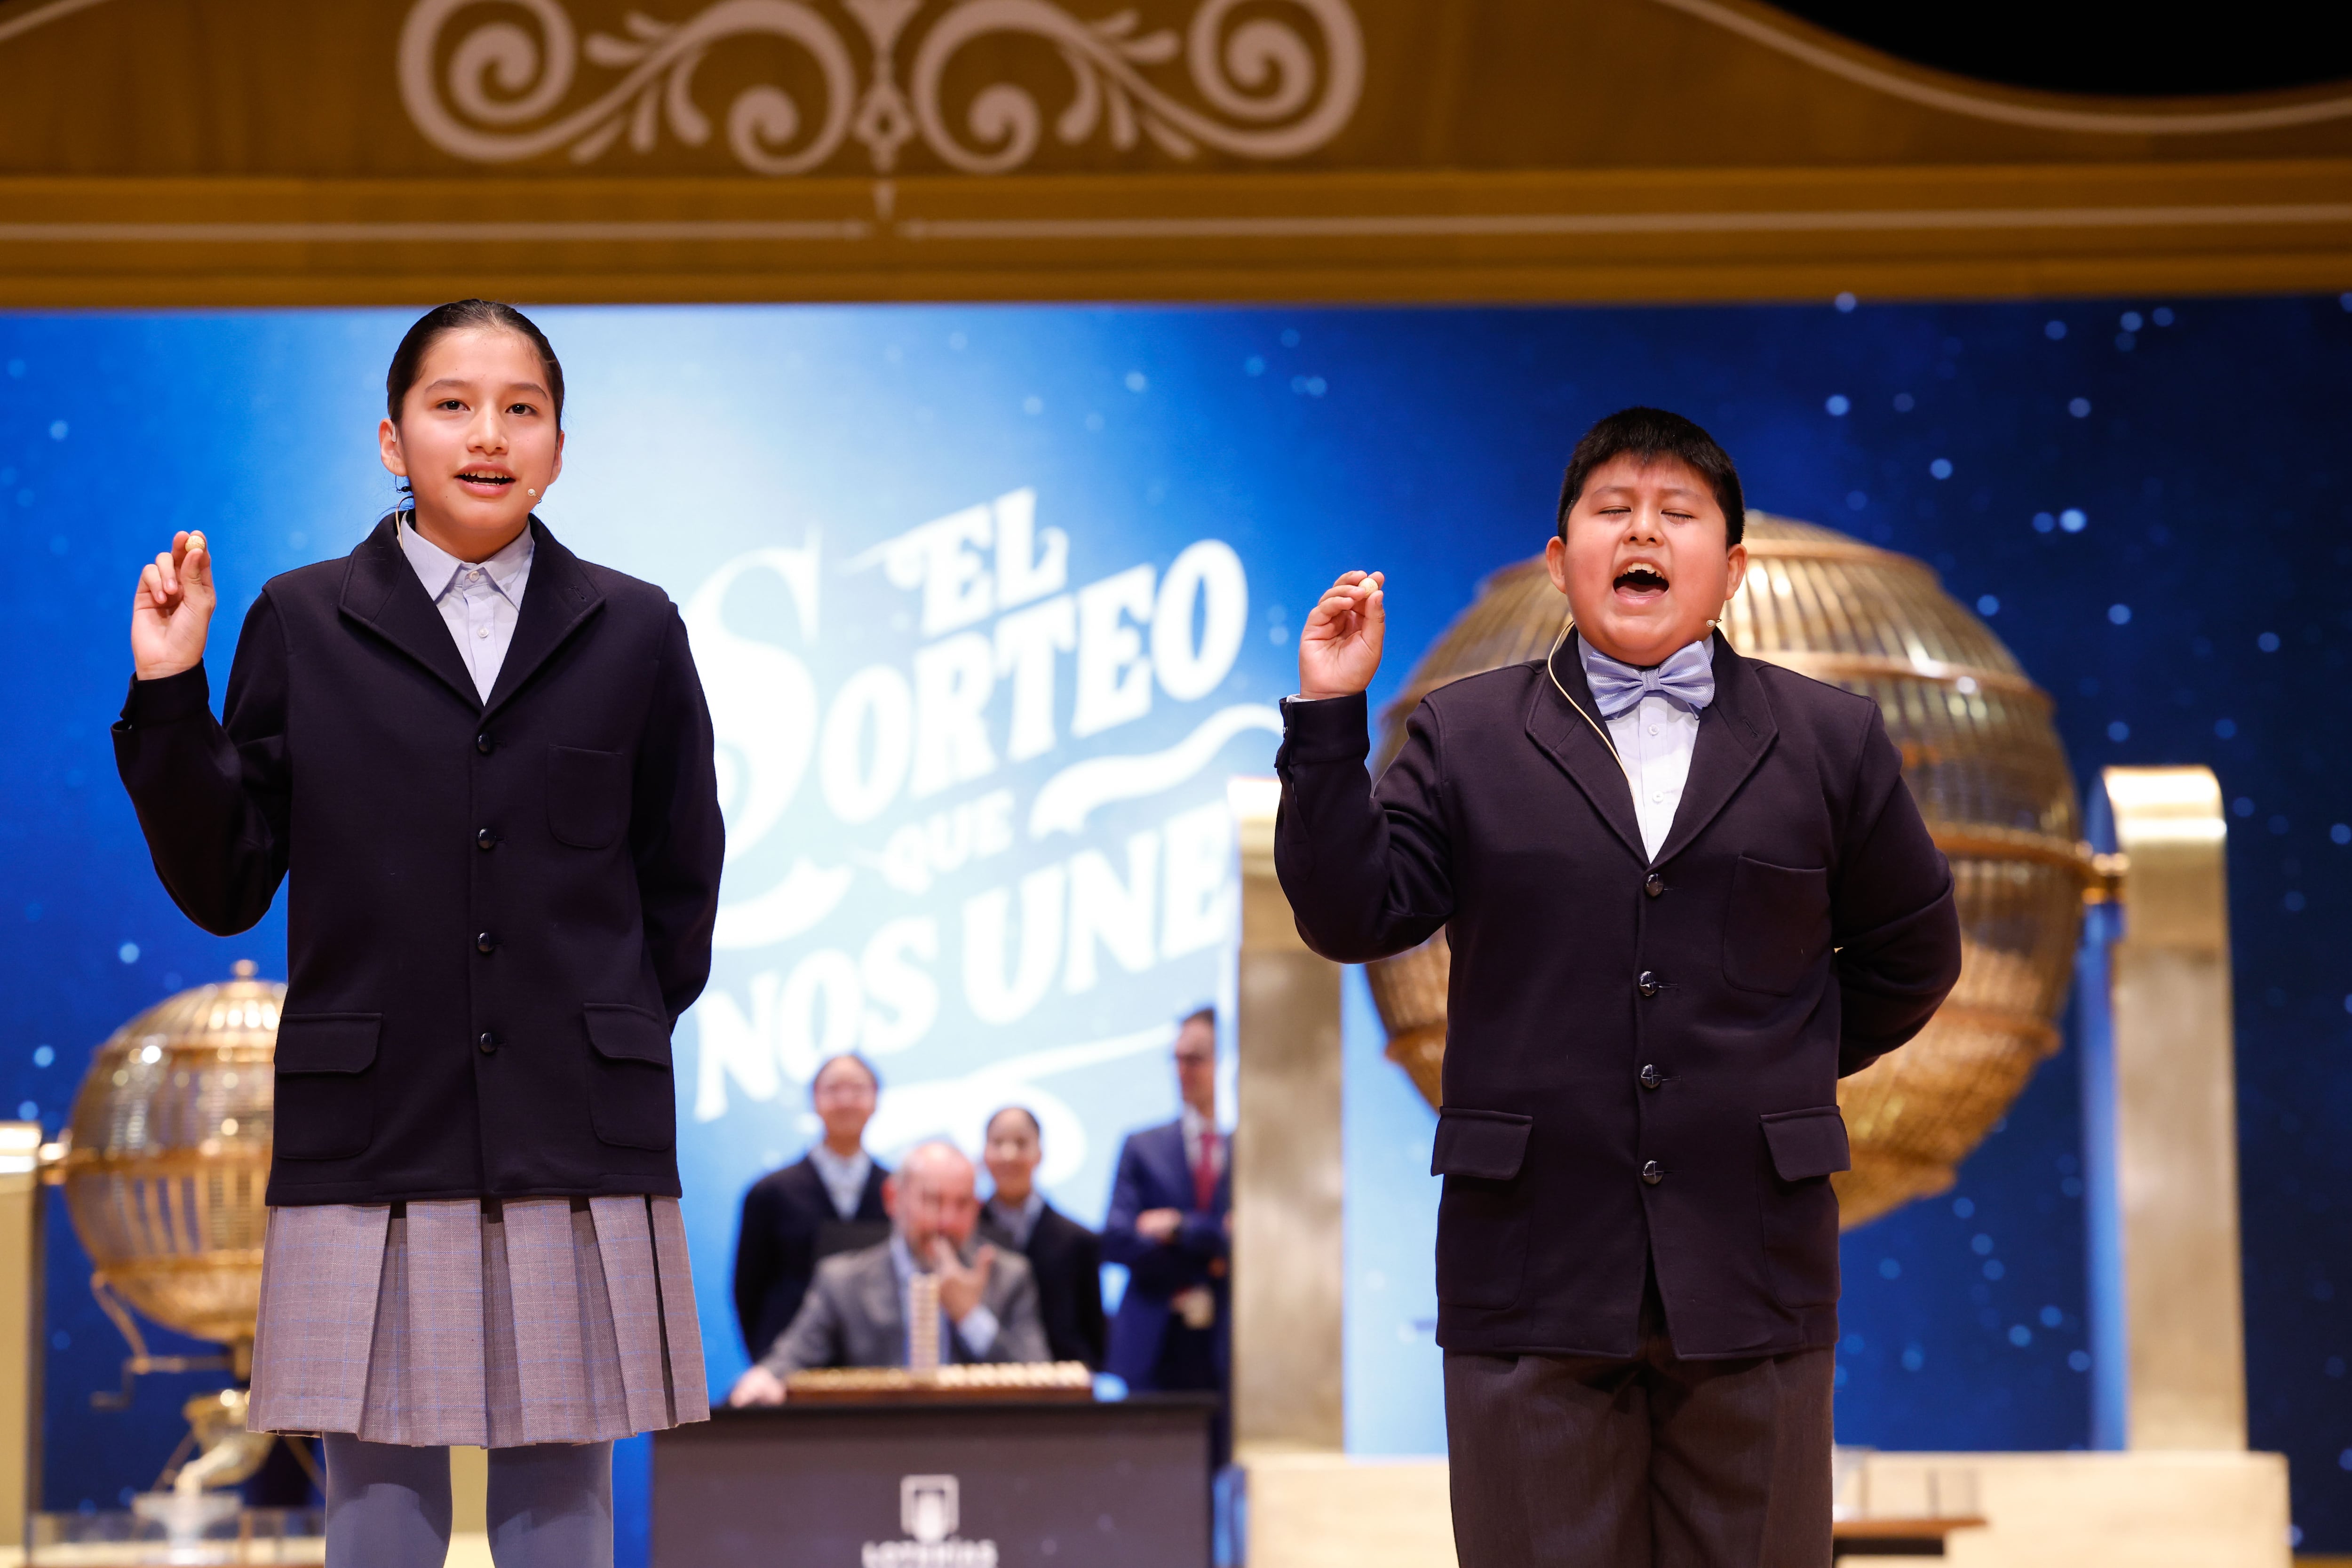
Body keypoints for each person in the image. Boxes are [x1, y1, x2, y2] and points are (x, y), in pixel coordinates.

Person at [1274, 407, 1963, 1567]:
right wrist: (1331, 717)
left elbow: (1914, 954)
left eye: (1675, 512)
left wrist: (1777, 1063)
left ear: (1732, 569)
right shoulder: (1463, 735)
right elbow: (1352, 914)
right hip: (1528, 1274)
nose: (1641, 529)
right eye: (1612, 510)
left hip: (1752, 1271)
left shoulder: (1830, 740)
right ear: (1560, 562)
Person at [113, 301, 725, 1568]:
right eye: (452, 405)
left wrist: (594, 1030)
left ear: (560, 444)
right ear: (392, 440)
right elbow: (229, 876)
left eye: (522, 408)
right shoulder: (304, 617)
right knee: (377, 1519)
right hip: (371, 1133)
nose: (488, 433)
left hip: (576, 1134)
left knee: (561, 1519)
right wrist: (171, 690)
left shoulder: (636, 627)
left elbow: (680, 879)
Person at [727, 1141, 1049, 1401]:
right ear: (894, 1198)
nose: (947, 1222)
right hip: (874, 1456)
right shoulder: (842, 1281)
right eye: (933, 1201)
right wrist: (765, 1379)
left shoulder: (1008, 1275)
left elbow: (1044, 1382)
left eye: (963, 1204)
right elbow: (791, 1357)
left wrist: (970, 1317)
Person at [1102, 1009, 1231, 1453]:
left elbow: (1254, 1245)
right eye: (1175, 1058)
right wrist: (1211, 1246)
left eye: (1194, 1058)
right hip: (1152, 1341)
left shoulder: (1248, 1149)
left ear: (1223, 1060)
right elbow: (1117, 1240)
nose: (1183, 1070)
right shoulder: (1143, 1147)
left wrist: (1176, 1226)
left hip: (1224, 1348)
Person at [731, 1053, 891, 1363]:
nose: (845, 1100)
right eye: (833, 1089)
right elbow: (748, 1289)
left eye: (858, 1089)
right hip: (790, 1364)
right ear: (814, 1100)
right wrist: (767, 1360)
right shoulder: (770, 1192)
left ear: (876, 1100)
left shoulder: (896, 1192)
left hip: (878, 1366)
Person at [977, 1105, 1106, 1368]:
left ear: (1040, 1154)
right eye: (998, 1143)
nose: (1009, 1155)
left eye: (1021, 1143)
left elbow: (1095, 1335)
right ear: (983, 1155)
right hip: (979, 1389)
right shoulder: (965, 1235)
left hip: (1061, 1392)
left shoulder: (1078, 1241)